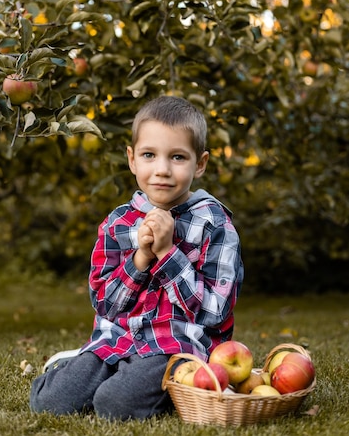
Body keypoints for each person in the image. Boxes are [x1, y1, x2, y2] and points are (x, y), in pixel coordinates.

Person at [30, 95, 244, 421]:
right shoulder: (119, 224)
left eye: (177, 157)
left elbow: (215, 312)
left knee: (115, 404)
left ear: (199, 164)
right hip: (116, 340)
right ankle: (81, 364)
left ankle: (177, 387)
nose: (162, 170)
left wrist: (167, 253)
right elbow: (104, 302)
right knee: (51, 401)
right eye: (149, 155)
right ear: (132, 160)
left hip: (176, 347)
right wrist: (141, 257)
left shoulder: (215, 226)